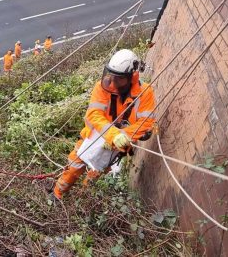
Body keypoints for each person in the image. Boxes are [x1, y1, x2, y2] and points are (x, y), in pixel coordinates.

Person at [52, 49, 155, 200]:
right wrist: (113, 135)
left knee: (95, 174)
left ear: (132, 77)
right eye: (112, 76)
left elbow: (146, 123)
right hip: (94, 136)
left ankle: (83, 199)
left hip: (117, 145)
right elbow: (94, 114)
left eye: (119, 79)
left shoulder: (145, 93)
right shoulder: (102, 87)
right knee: (74, 166)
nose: (113, 82)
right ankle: (57, 194)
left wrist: (122, 136)